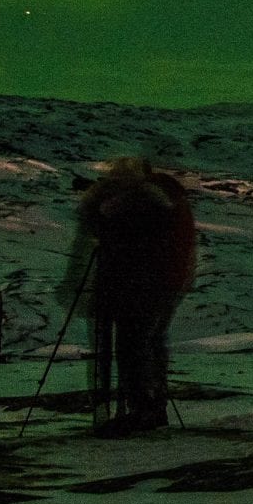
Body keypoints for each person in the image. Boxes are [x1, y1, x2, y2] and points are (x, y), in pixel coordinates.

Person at [67, 158, 198, 437]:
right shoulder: (166, 202)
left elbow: (112, 236)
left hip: (137, 287)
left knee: (132, 346)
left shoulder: (142, 205)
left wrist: (100, 208)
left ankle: (141, 409)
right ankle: (151, 405)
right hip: (160, 286)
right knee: (148, 343)